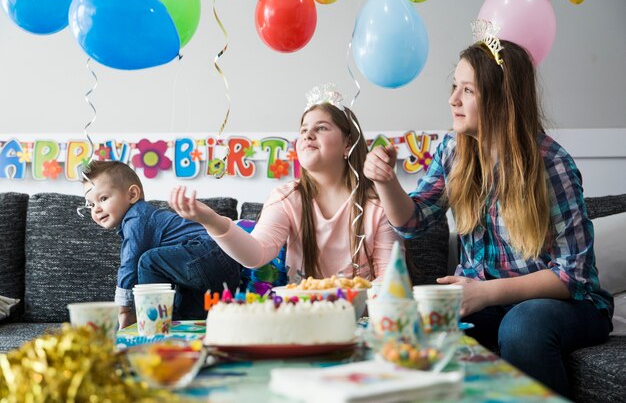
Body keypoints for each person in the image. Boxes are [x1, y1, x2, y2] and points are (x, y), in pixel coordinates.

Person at [363, 35, 613, 397]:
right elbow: (413, 223)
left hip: (569, 305)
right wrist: (385, 182)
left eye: (468, 90)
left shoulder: (551, 165)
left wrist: (484, 293)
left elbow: (570, 275)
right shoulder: (453, 151)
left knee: (523, 326)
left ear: (501, 99)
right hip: (490, 299)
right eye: (454, 87)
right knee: (421, 320)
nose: (453, 99)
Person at [169, 84, 403, 283]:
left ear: (348, 143)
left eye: (321, 128)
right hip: (302, 318)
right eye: (303, 130)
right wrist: (211, 220)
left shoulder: (378, 204)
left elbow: (390, 279)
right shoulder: (287, 197)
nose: (308, 135)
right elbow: (256, 254)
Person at [81, 161, 240, 328]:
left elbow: (129, 263)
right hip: (222, 267)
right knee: (184, 319)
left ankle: (152, 323)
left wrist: (124, 308)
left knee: (148, 261)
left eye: (103, 198)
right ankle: (170, 335)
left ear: (132, 194)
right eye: (91, 205)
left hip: (210, 253)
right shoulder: (138, 221)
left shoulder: (137, 218)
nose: (96, 209)